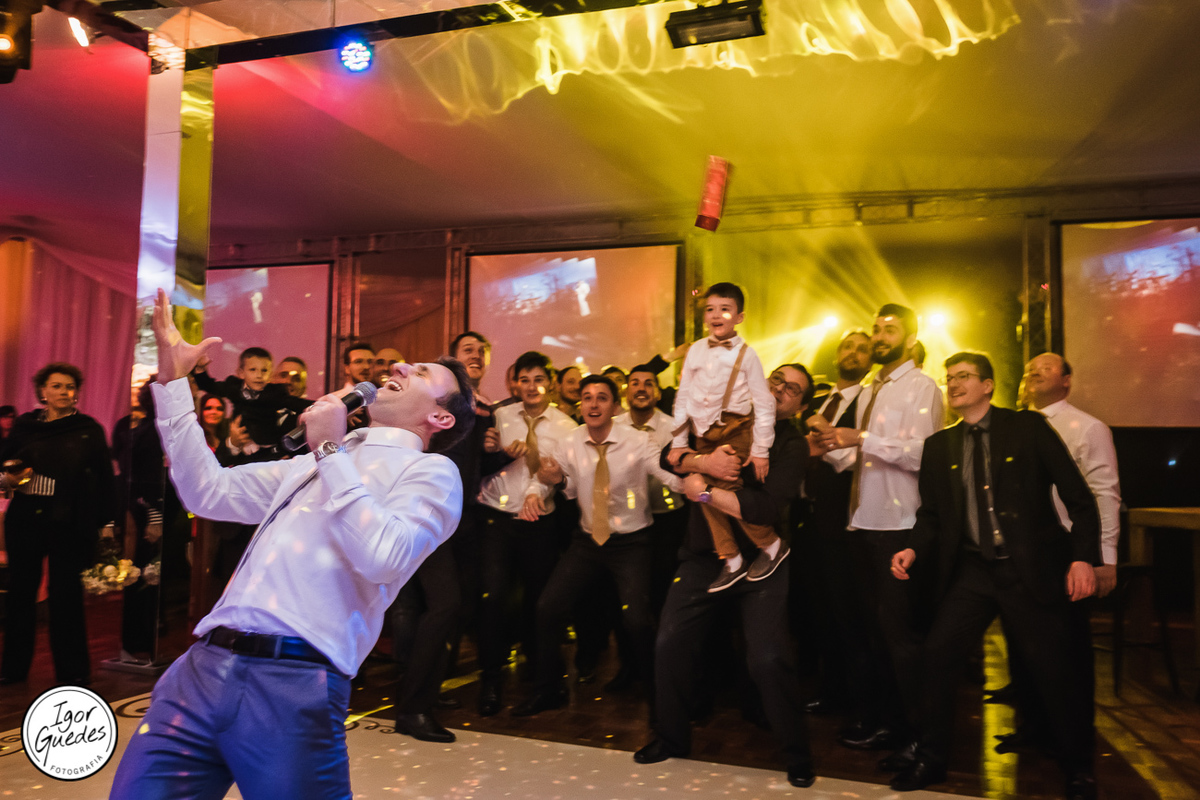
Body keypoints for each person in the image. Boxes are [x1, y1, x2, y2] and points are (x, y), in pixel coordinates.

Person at [109, 289, 475, 800]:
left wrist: (328, 446)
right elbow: (208, 491)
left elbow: (384, 556)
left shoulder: (433, 473)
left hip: (293, 677)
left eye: (423, 374)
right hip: (201, 668)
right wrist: (172, 385)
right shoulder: (318, 461)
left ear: (441, 418)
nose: (405, 364)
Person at [888, 351, 1100, 799]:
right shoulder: (938, 446)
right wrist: (911, 547)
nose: (955, 384)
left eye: (964, 376)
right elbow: (930, 516)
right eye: (950, 379)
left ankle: (1079, 768)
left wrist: (1084, 558)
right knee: (938, 655)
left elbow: (1080, 498)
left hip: (1031, 569)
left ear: (988, 385)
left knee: (1055, 673)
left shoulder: (1027, 428)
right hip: (973, 571)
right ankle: (931, 758)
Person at [636, 362, 816, 789]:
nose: (779, 390)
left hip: (763, 559)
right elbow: (669, 455)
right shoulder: (722, 414)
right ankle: (670, 737)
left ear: (800, 406)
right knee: (669, 640)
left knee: (768, 656)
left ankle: (797, 752)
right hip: (703, 556)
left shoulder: (790, 444)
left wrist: (702, 488)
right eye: (776, 379)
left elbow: (767, 510)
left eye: (792, 390)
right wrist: (703, 461)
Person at [512, 375, 684, 716]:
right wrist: (534, 494)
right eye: (587, 398)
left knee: (637, 620)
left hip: (632, 543)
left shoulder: (636, 441)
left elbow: (669, 475)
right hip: (587, 541)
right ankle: (550, 689)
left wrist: (701, 483)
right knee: (548, 607)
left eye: (601, 398)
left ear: (613, 405)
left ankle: (659, 696)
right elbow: (546, 477)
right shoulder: (571, 440)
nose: (592, 404)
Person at [817, 304, 943, 761]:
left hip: (898, 527)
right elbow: (857, 462)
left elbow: (925, 455)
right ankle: (886, 723)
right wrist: (828, 445)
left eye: (890, 330)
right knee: (873, 634)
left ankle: (918, 735)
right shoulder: (872, 389)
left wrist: (861, 439)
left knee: (900, 637)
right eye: (876, 329)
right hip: (862, 523)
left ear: (910, 339)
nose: (880, 336)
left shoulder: (921, 386)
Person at [390, 331, 509, 743]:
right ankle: (413, 707)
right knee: (440, 606)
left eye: (481, 351)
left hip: (460, 518)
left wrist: (499, 453)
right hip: (425, 511)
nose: (475, 356)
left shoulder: (480, 410)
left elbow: (470, 464)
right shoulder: (437, 406)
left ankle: (422, 695)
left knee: (449, 607)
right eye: (467, 352)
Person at [474, 350, 578, 716]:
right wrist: (491, 451)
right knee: (492, 599)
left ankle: (542, 679)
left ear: (550, 382)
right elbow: (481, 466)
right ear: (514, 383)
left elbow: (560, 474)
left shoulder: (567, 426)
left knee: (540, 603)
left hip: (539, 523)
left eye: (538, 379)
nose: (531, 387)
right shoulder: (499, 416)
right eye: (524, 379)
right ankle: (491, 680)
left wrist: (539, 492)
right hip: (496, 517)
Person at [0, 362, 115, 686]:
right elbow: (5, 465)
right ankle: (12, 669)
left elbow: (105, 478)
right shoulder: (25, 426)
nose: (64, 391)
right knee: (21, 592)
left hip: (70, 520)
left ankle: (73, 672)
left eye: (69, 386)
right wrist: (8, 477)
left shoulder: (89, 429)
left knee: (66, 594)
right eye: (57, 386)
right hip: (25, 517)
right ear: (43, 392)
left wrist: (107, 523)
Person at [669, 283, 780, 592]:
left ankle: (770, 545)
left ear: (739, 317)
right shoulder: (695, 350)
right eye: (710, 309)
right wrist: (679, 442)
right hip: (703, 432)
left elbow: (765, 402)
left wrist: (761, 450)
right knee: (704, 492)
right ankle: (731, 558)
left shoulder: (748, 355)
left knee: (726, 488)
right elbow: (683, 397)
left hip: (737, 428)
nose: (716, 315)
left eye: (725, 309)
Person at [795, 330, 871, 717]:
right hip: (807, 519)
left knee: (847, 613)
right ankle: (829, 689)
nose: (853, 353)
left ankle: (857, 701)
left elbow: (860, 456)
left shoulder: (872, 403)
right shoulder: (820, 400)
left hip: (844, 521)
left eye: (862, 348)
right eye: (848, 346)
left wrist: (826, 442)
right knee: (818, 611)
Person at [617, 364, 689, 614]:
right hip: (625, 520)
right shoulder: (612, 427)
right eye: (635, 383)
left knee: (662, 584)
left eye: (649, 383)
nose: (641, 388)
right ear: (627, 392)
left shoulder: (676, 429)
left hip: (667, 519)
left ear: (658, 393)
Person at [193, 346, 311, 458]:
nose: (258, 375)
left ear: (269, 375)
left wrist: (323, 404)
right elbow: (211, 386)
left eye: (264, 371)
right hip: (245, 462)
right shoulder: (234, 389)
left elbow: (294, 403)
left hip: (277, 461)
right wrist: (233, 443)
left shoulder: (305, 418)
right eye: (283, 375)